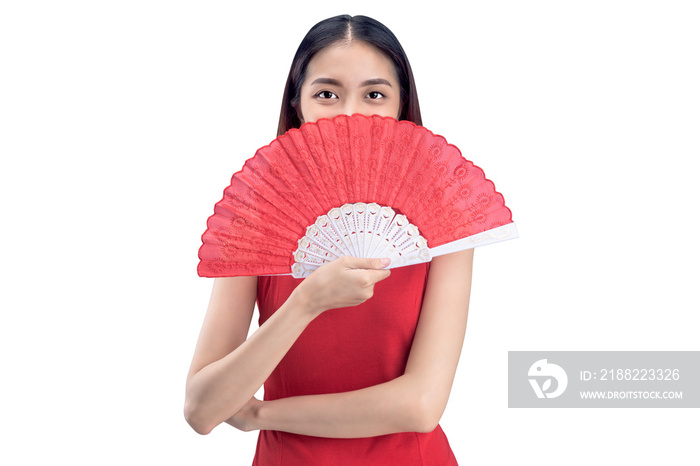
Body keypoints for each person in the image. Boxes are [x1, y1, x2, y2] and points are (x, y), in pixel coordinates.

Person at [185, 15, 473, 465]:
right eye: (327, 94)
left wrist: (263, 413)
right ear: (297, 103)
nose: (350, 113)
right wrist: (306, 302)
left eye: (374, 94)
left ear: (401, 106)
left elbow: (420, 405)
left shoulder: (445, 217)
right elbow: (202, 408)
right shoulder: (256, 219)